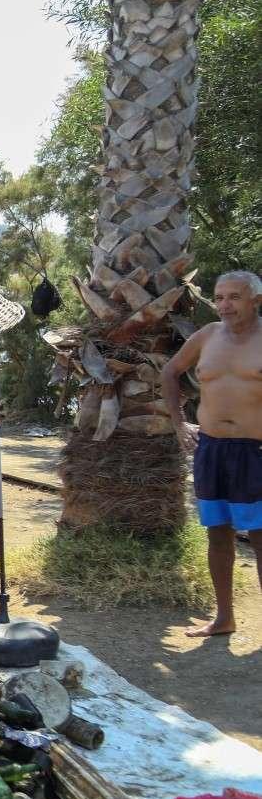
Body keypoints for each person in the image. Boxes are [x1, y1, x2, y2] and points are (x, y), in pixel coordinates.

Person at [162, 270, 262, 638]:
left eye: (234, 297)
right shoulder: (207, 336)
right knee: (218, 534)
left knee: (260, 537)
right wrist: (179, 423)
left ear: (256, 300)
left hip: (254, 452)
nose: (224, 305)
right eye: (219, 297)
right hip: (212, 449)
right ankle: (224, 618)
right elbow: (170, 371)